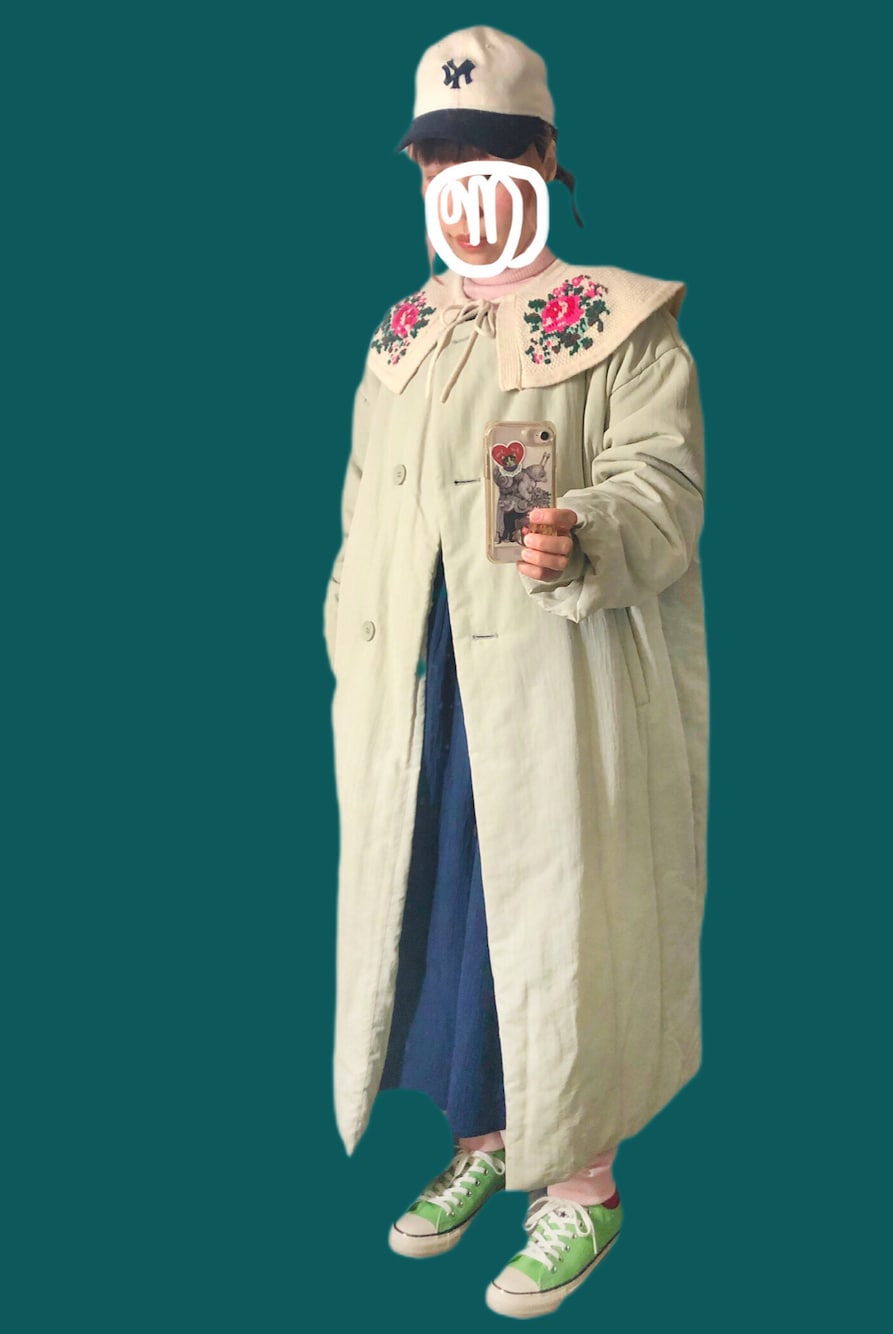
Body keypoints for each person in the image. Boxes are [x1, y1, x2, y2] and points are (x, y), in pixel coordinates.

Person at [323, 25, 709, 1319]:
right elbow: (363, 505)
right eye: (440, 156)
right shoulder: (404, 334)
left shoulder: (619, 325)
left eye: (487, 151)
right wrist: (347, 625)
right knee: (443, 915)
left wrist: (585, 530)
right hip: (420, 701)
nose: (463, 177)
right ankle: (486, 1138)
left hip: (556, 690)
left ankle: (579, 1186)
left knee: (557, 918)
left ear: (542, 160)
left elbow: (663, 483)